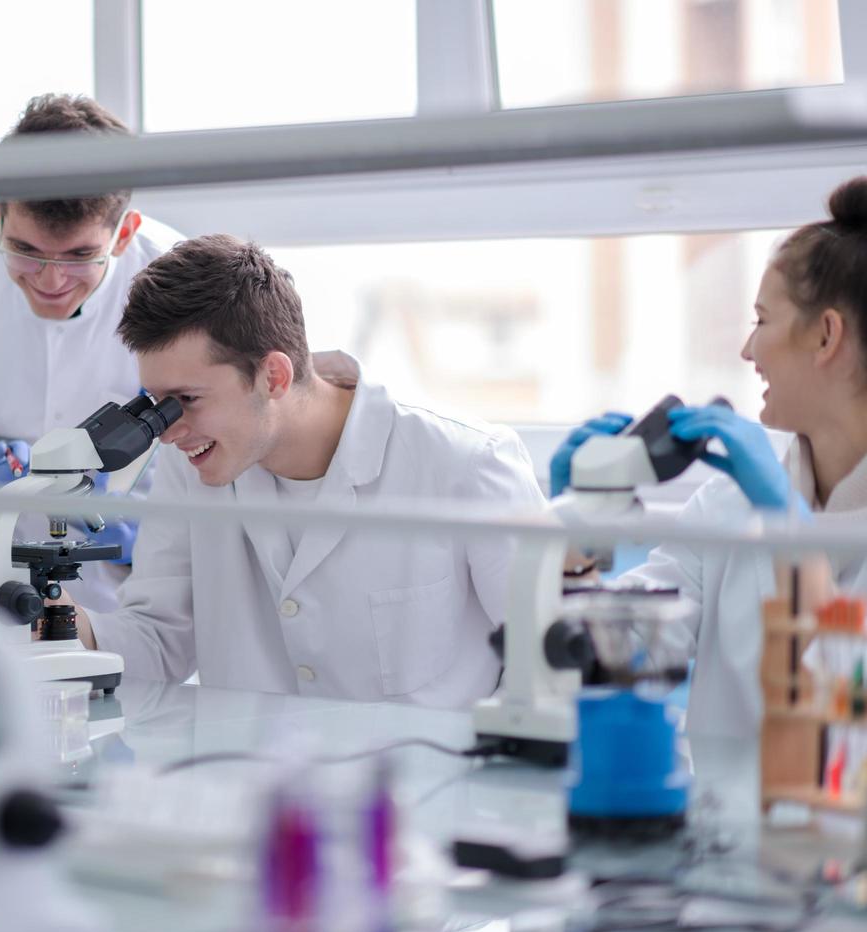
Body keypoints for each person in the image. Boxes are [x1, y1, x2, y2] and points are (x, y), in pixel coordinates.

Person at [75, 234, 547, 708]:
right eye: (160, 405)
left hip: (429, 777)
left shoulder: (466, 464)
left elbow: (548, 665)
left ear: (274, 377)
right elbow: (160, 642)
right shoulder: (192, 466)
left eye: (188, 400)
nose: (168, 432)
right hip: (250, 776)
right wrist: (71, 628)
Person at [550, 176, 867, 737]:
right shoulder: (726, 503)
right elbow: (620, 656)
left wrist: (786, 525)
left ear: (826, 336)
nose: (748, 350)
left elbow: (848, 723)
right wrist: (571, 542)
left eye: (762, 320)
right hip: (719, 820)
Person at [0, 94, 183, 638]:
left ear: (123, 234)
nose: (51, 281)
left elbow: (210, 449)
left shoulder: (179, 279)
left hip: (126, 592)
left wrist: (149, 523)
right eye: (25, 250)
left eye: (80, 255)